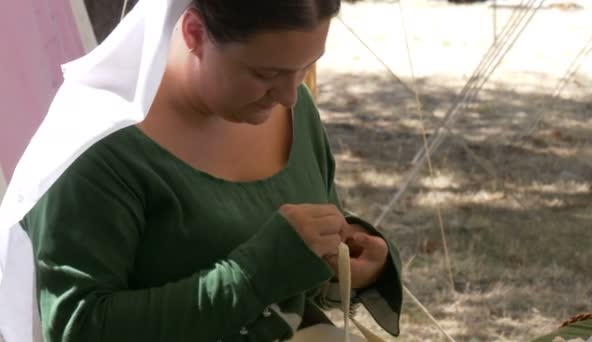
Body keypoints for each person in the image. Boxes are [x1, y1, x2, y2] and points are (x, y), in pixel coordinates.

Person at [4, 0, 404, 341]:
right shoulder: (99, 147)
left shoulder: (293, 107)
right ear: (194, 32)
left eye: (305, 67)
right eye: (265, 74)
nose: (288, 94)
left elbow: (298, 277)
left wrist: (347, 258)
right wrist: (253, 274)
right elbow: (80, 327)